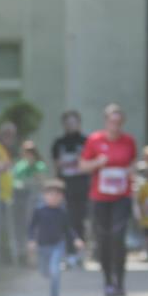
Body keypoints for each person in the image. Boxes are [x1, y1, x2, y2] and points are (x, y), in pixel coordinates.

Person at [80, 103, 137, 296]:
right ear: (106, 122)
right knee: (103, 239)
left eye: (119, 122)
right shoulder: (95, 140)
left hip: (122, 196)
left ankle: (120, 281)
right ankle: (108, 282)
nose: (116, 125)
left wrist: (131, 172)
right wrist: (98, 162)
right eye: (112, 121)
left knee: (118, 237)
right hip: (100, 197)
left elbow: (132, 164)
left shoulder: (129, 141)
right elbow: (83, 166)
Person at [28, 179, 83, 296]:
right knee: (44, 272)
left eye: (57, 195)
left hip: (57, 245)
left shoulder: (62, 212)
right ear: (44, 196)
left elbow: (68, 229)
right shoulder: (39, 210)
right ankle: (50, 280)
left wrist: (76, 239)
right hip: (42, 246)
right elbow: (32, 227)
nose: (53, 197)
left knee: (55, 271)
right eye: (50, 194)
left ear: (61, 197)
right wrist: (31, 240)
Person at [52, 110, 89, 267]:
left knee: (80, 220)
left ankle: (80, 253)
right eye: (68, 122)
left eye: (74, 122)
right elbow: (56, 166)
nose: (71, 125)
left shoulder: (87, 141)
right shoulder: (58, 143)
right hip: (65, 187)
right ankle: (69, 253)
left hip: (82, 187)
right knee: (67, 220)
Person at [12, 140, 50, 263]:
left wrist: (33, 167)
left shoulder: (39, 165)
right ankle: (22, 254)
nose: (29, 154)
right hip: (20, 201)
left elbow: (43, 182)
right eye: (26, 151)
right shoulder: (19, 165)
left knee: (35, 228)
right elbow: (15, 181)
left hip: (35, 201)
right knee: (22, 227)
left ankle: (36, 256)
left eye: (31, 151)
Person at [0, 121, 18, 265]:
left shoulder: (6, 149)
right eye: (6, 134)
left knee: (5, 229)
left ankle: (4, 257)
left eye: (12, 134)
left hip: (6, 194)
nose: (10, 137)